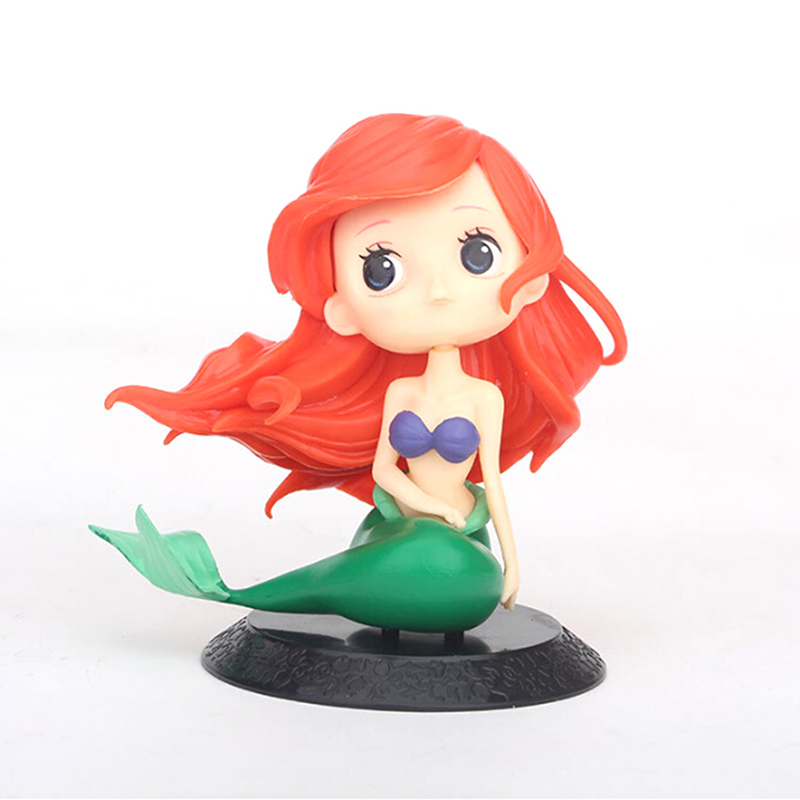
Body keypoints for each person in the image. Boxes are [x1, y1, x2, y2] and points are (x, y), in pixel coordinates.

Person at [90, 114, 626, 634]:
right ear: (341, 308)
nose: (438, 289)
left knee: (461, 572)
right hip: (399, 525)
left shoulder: (484, 396)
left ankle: (250, 591)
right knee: (434, 560)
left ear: (531, 276)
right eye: (381, 268)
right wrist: (426, 505)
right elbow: (385, 471)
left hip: (462, 532)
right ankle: (250, 593)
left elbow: (494, 484)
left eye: (477, 253)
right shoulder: (402, 391)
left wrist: (511, 562)